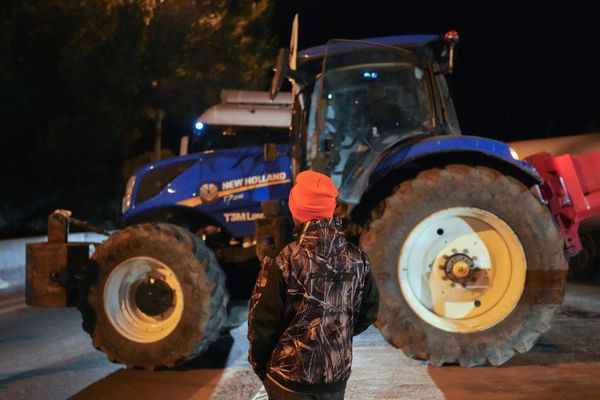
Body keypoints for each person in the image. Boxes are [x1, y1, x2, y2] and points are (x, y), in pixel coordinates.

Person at [248, 170, 380, 400]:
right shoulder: (358, 258)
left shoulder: (284, 260)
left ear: (296, 209)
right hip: (335, 382)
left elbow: (261, 326)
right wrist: (334, 338)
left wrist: (263, 367)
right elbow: (368, 313)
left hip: (288, 383)